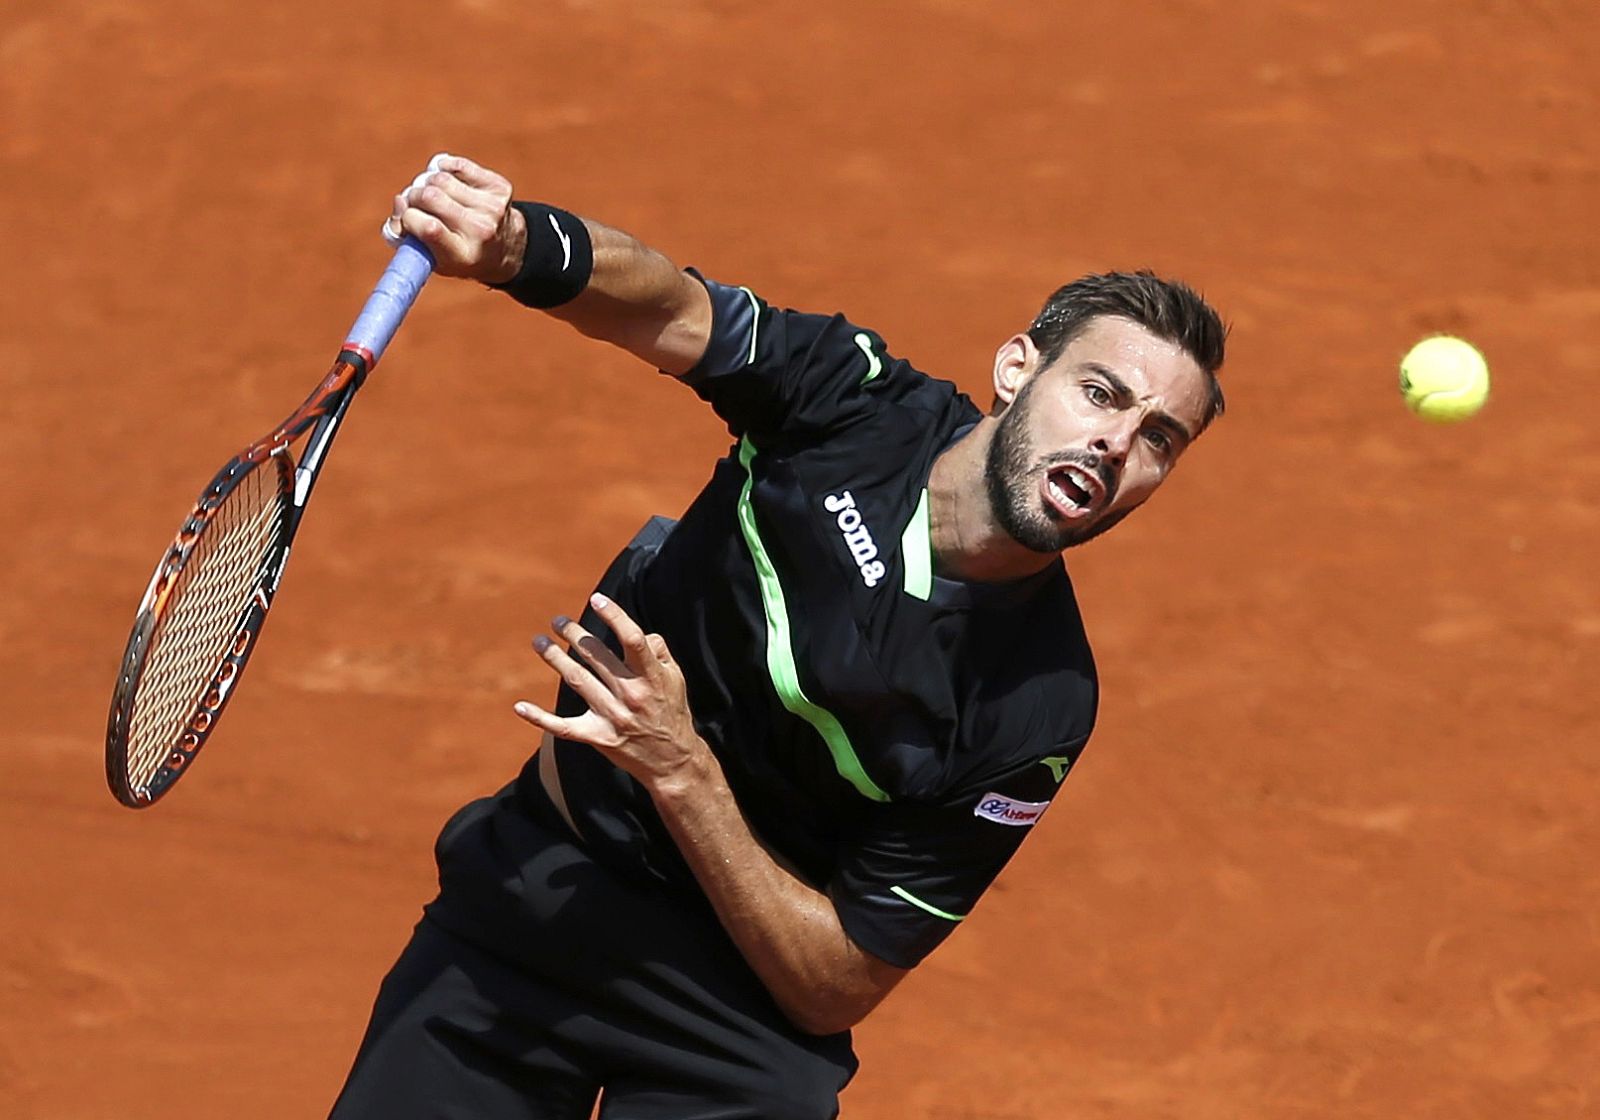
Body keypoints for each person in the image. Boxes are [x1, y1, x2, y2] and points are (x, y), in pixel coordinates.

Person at [329, 152, 1227, 1120]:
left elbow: (837, 983)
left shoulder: (1039, 705)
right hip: (542, 891)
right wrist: (515, 245)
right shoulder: (857, 403)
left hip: (734, 1013)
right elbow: (674, 308)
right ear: (1017, 369)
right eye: (1100, 393)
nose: (1116, 443)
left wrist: (682, 771)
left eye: (1159, 439)